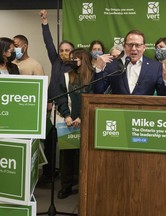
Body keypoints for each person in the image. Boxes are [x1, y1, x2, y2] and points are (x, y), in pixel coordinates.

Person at [39, 9, 75, 187]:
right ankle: (48, 174)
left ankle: (69, 179)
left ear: (73, 52)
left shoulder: (76, 68)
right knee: (49, 143)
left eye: (67, 50)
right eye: (62, 50)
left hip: (67, 111)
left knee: (68, 147)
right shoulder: (56, 62)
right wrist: (45, 23)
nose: (64, 52)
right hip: (51, 108)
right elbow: (48, 43)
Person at [55, 48, 94, 199]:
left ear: (83, 59)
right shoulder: (65, 76)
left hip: (86, 121)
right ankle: (66, 186)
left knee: (84, 156)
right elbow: (61, 98)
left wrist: (82, 117)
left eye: (75, 58)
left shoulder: (93, 77)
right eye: (70, 58)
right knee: (67, 156)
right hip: (69, 123)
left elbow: (93, 97)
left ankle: (83, 186)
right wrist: (66, 115)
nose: (71, 60)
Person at [93, 30, 166, 96]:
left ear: (144, 48)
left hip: (144, 115)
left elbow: (164, 96)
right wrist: (98, 69)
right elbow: (98, 91)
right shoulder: (112, 65)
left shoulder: (155, 67)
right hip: (118, 114)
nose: (133, 48)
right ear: (124, 47)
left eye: (138, 45)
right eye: (130, 45)